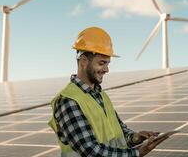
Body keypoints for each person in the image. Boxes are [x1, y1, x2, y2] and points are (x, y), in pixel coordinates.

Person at [49, 27, 168, 156]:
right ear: (83, 61)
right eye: (101, 63)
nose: (106, 70)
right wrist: (136, 153)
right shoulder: (69, 101)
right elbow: (91, 151)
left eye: (108, 64)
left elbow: (119, 134)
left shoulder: (101, 95)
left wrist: (136, 137)